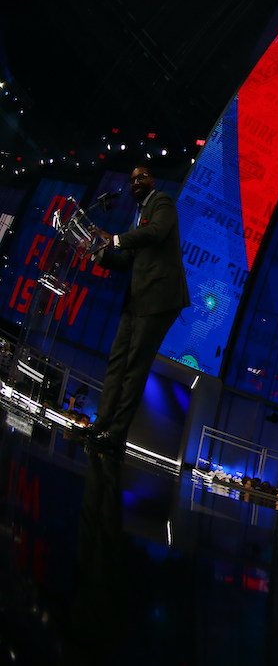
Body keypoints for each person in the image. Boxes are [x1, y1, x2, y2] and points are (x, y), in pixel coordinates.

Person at [81, 167, 189, 457]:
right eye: (132, 179)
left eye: (142, 177)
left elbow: (156, 233)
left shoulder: (161, 202)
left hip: (159, 298)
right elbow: (126, 261)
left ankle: (116, 435)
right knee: (117, 362)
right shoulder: (138, 217)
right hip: (137, 299)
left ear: (153, 180)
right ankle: (100, 424)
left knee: (135, 367)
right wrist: (99, 253)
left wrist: (114, 239)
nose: (136, 182)